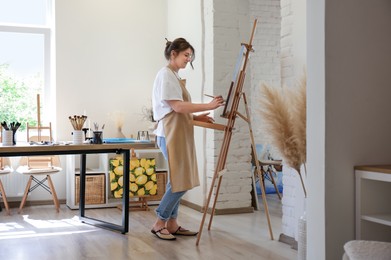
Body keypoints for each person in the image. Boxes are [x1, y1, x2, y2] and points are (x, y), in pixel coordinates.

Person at [151, 38, 224, 240]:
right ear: (173, 53)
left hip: (177, 132)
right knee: (180, 182)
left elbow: (178, 108)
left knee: (178, 180)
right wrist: (208, 106)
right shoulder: (166, 75)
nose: (188, 59)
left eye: (190, 56)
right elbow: (177, 107)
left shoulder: (172, 75)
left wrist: (197, 116)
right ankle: (159, 222)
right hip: (170, 133)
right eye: (186, 55)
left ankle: (172, 223)